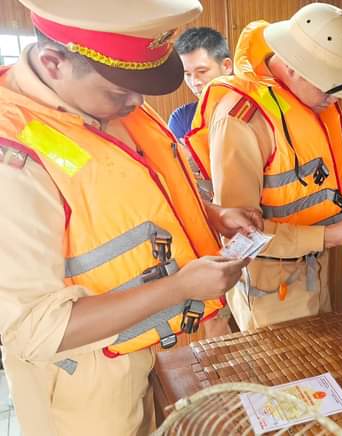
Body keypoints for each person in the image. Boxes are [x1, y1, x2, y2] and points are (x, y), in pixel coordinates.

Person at [0, 0, 263, 434]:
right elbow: (34, 330)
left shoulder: (113, 99)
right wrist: (178, 287)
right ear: (53, 62)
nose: (137, 100)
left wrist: (212, 215)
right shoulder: (13, 160)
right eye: (119, 89)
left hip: (169, 351)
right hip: (90, 389)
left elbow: (129, 200)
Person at [186, 3, 342, 330]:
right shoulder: (241, 120)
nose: (334, 101)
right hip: (274, 288)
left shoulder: (313, 101)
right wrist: (331, 235)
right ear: (294, 66)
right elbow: (241, 236)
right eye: (329, 90)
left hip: (320, 267)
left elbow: (323, 175)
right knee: (286, 379)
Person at [168, 27, 233, 142]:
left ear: (226, 66)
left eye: (202, 71)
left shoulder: (255, 109)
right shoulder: (181, 118)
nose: (194, 82)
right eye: (187, 74)